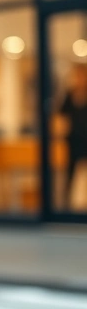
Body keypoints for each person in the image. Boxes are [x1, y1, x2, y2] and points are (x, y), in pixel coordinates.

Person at [58, 64, 87, 211]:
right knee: (70, 172)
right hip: (74, 140)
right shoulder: (70, 94)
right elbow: (62, 115)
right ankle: (66, 205)